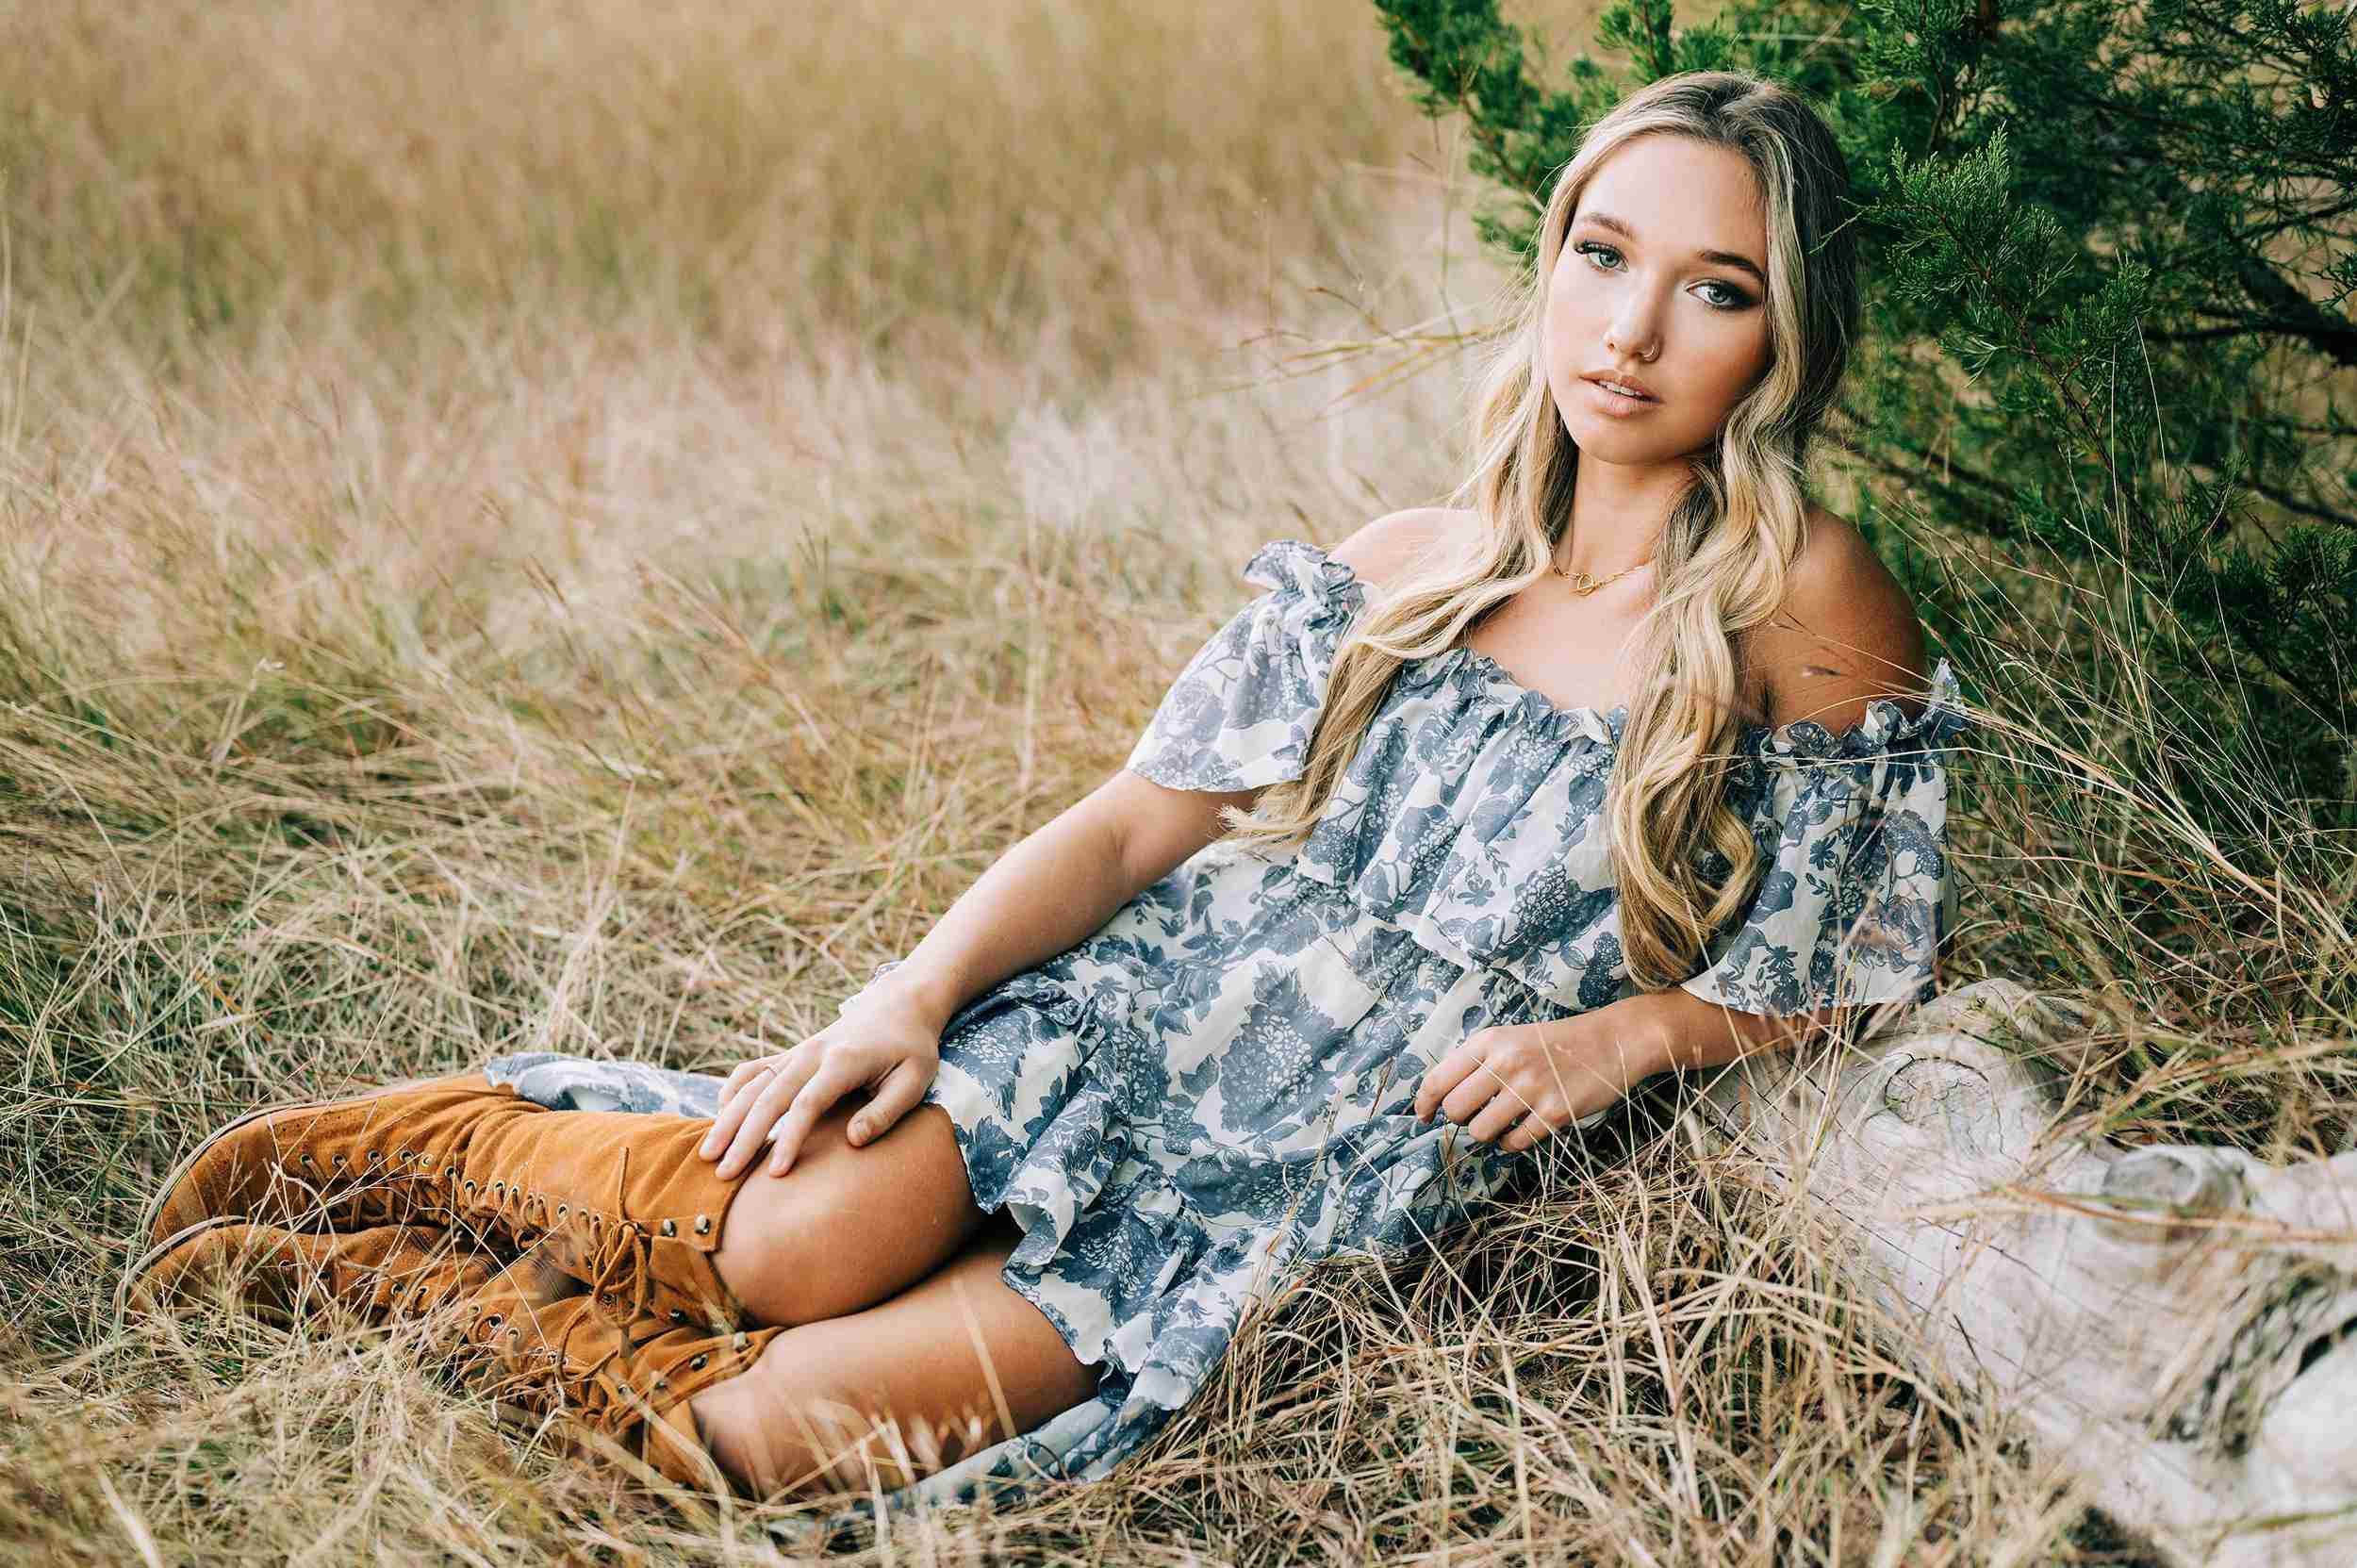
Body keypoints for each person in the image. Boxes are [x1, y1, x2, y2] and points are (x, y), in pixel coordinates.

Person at [120, 68, 1970, 1524]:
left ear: (1779, 334)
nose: (1628, 331)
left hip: (1299, 1188)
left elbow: (1862, 951)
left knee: (769, 1442)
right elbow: (1128, 827)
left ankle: (391, 1290)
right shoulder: (1405, 562)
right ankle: (436, 1155)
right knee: (788, 1240)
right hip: (1130, 1027)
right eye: (1599, 253)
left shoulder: (1801, 599)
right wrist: (908, 992)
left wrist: (1625, 1036)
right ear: (1550, 257)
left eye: (1709, 289)